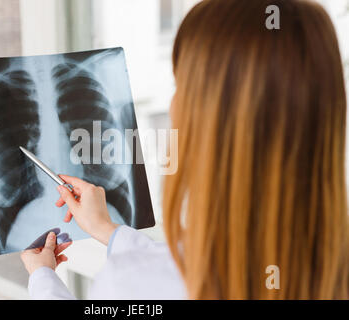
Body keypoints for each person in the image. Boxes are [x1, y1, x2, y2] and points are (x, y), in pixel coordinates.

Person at [21, 0, 349, 299]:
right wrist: (110, 231)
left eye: (181, 84)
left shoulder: (132, 284)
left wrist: (42, 277)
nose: (174, 102)